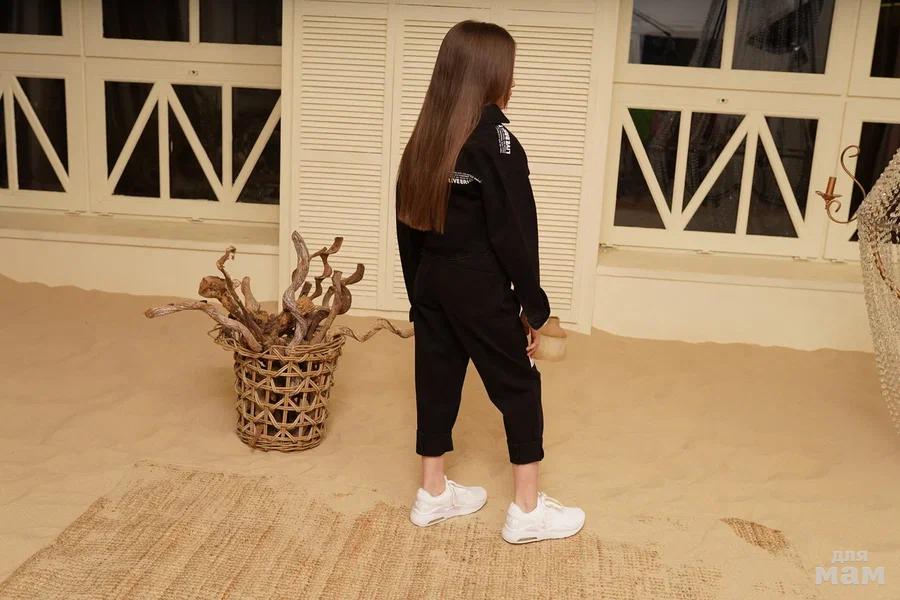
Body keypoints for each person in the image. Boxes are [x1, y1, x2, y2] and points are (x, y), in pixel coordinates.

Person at [395, 20, 585, 544]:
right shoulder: (498, 143)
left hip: (431, 278)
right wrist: (533, 308)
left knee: (436, 376)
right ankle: (527, 509)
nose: (514, 81)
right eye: (509, 70)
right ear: (488, 75)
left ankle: (432, 491)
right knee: (519, 384)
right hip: (478, 284)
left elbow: (406, 222)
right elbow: (514, 233)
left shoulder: (426, 138)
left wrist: (418, 295)